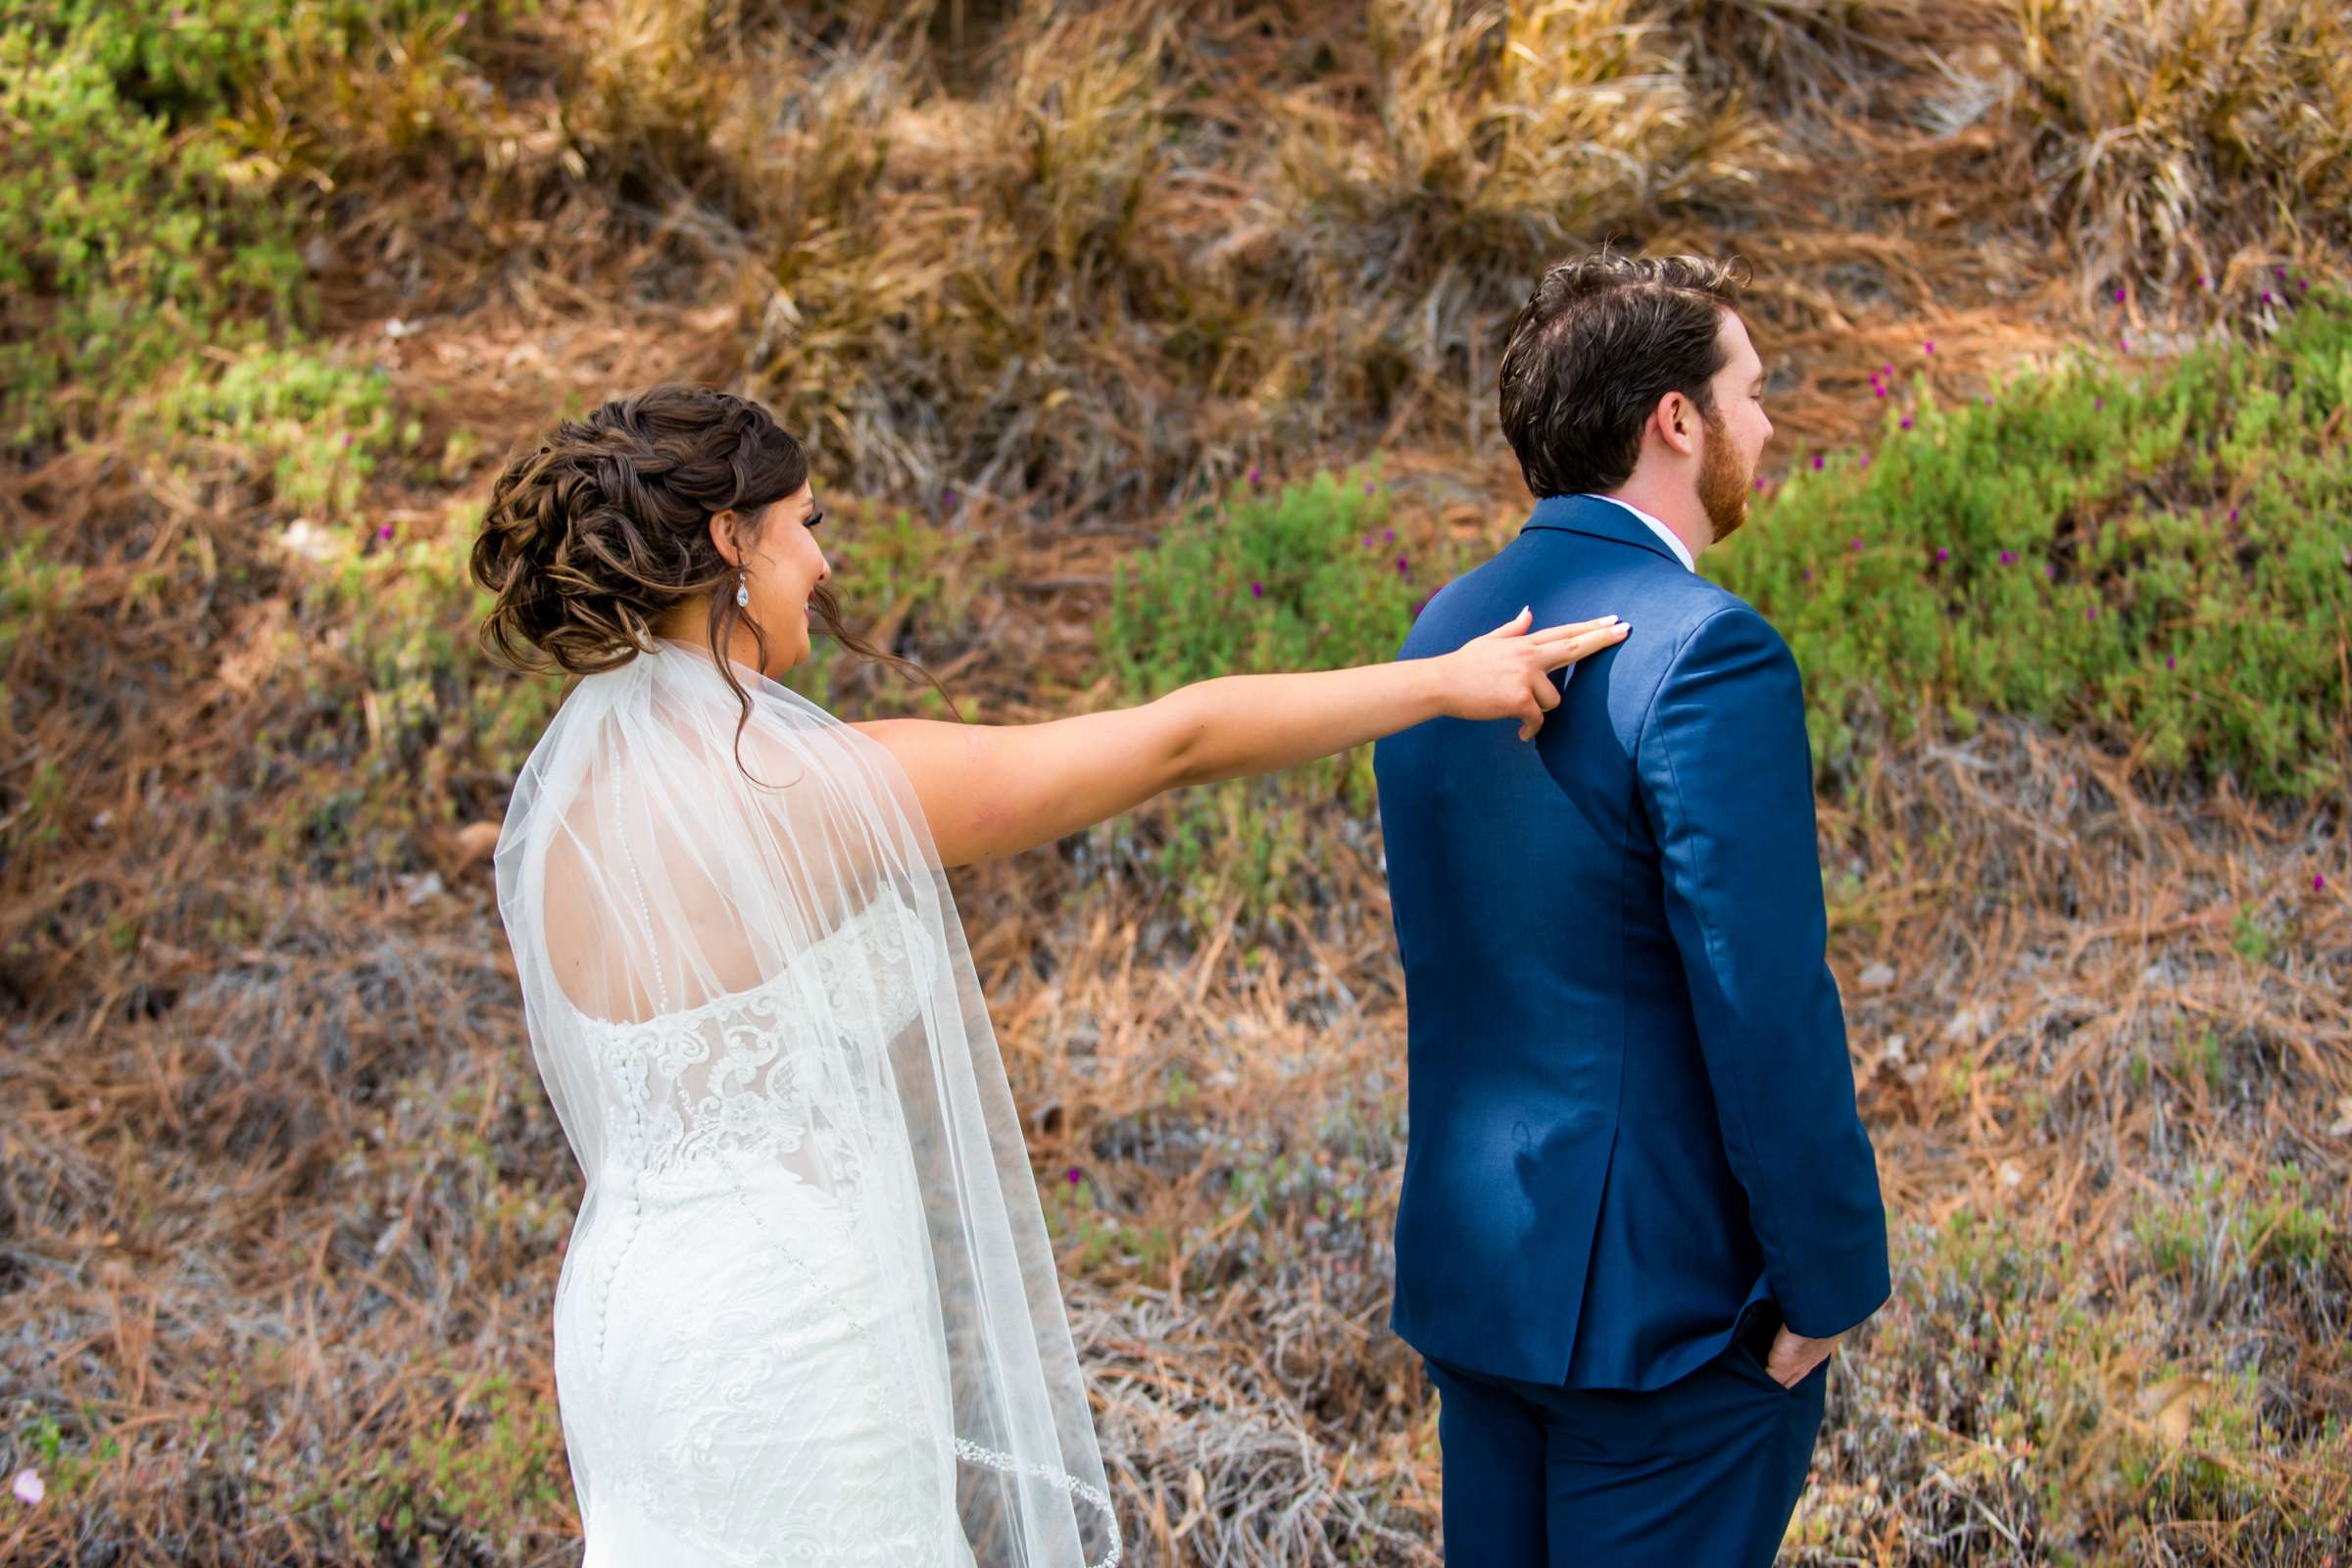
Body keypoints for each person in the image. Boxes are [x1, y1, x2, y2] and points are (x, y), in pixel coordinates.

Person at [466, 383, 1631, 1567]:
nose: (821, 561)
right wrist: (1440, 683)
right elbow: (1172, 740)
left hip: (632, 1312)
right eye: (806, 524)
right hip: (787, 1322)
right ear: (730, 540)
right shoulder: (801, 796)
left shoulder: (565, 808)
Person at [1371, 250, 1892, 1565]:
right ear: (1676, 418)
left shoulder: (1442, 634)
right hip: (1671, 1323)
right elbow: (1760, 994)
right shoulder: (1706, 646)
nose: (1766, 425)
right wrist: (1828, 1283)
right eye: (1750, 392)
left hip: (1478, 1275)